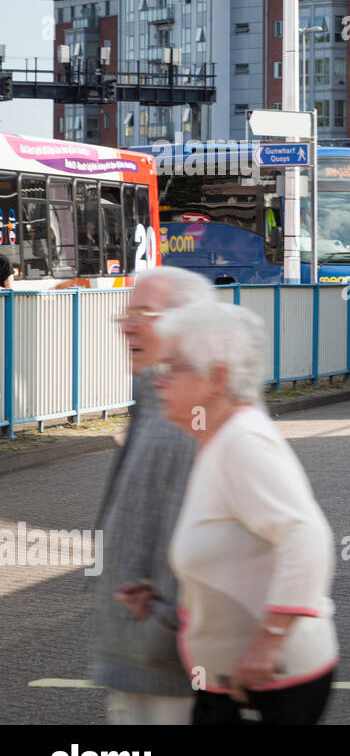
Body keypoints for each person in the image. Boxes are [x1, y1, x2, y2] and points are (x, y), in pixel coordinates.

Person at [155, 301, 337, 725]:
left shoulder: (243, 443)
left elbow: (306, 537)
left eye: (173, 369)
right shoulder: (217, 439)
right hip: (232, 683)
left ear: (216, 378)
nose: (158, 381)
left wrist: (268, 643)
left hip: (266, 686)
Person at [93, 265, 216, 725]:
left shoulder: (195, 413)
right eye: (125, 313)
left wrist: (162, 629)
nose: (127, 325)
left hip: (170, 669)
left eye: (143, 313)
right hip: (138, 659)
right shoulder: (152, 393)